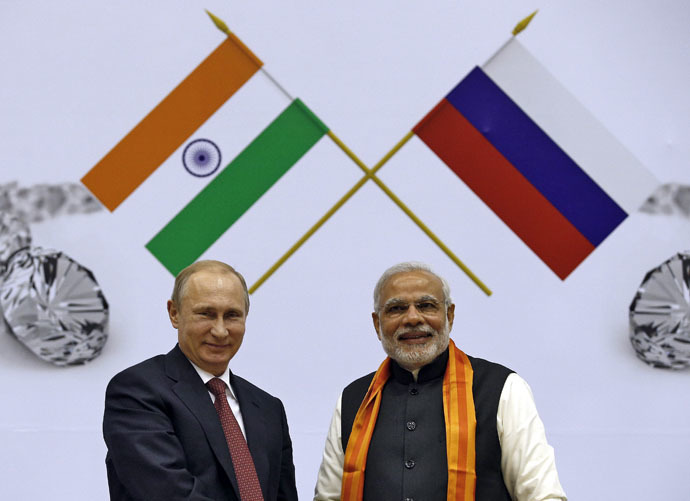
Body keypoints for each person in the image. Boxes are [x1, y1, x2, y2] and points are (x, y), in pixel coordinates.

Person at [314, 262, 566, 501]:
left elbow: (542, 494)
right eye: (396, 308)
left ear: (449, 315)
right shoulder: (354, 399)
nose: (412, 318)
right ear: (377, 324)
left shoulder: (503, 389)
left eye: (426, 305)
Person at [103, 260, 298, 501]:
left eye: (232, 315)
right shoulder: (136, 391)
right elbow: (168, 494)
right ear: (174, 313)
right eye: (206, 314)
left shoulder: (269, 409)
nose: (220, 330)